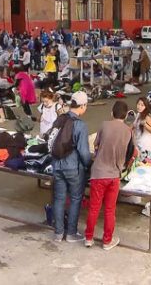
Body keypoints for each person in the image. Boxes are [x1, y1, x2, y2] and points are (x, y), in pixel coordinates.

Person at [84, 101, 133, 250]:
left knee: (94, 208)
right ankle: (107, 241)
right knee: (110, 209)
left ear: (112, 113)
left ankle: (88, 238)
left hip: (99, 173)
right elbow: (131, 151)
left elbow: (96, 145)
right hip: (115, 175)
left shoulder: (104, 125)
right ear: (125, 116)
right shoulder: (128, 131)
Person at [51, 91, 91, 243]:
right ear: (82, 106)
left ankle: (58, 233)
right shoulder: (80, 125)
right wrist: (88, 166)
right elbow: (84, 152)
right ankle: (71, 233)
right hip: (73, 168)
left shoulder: (60, 119)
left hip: (56, 165)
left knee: (59, 198)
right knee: (75, 198)